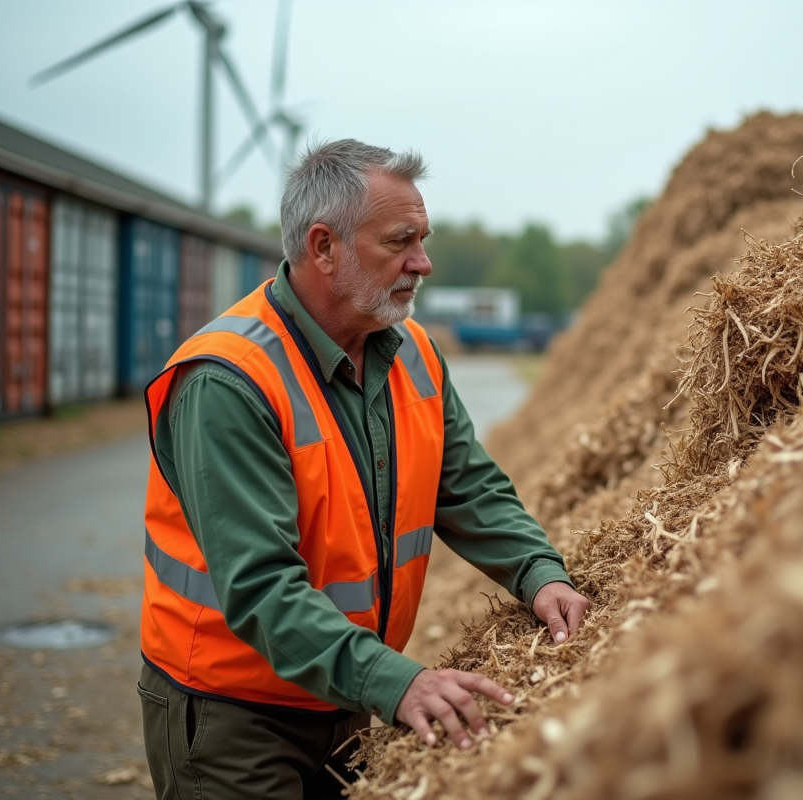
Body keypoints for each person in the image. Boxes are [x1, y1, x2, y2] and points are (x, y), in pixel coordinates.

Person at [137, 139, 590, 799]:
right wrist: (397, 682)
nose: (423, 263)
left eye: (423, 239)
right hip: (234, 716)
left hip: (348, 697)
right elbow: (262, 587)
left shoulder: (415, 353)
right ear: (323, 247)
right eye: (400, 241)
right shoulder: (228, 382)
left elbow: (468, 487)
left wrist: (538, 572)